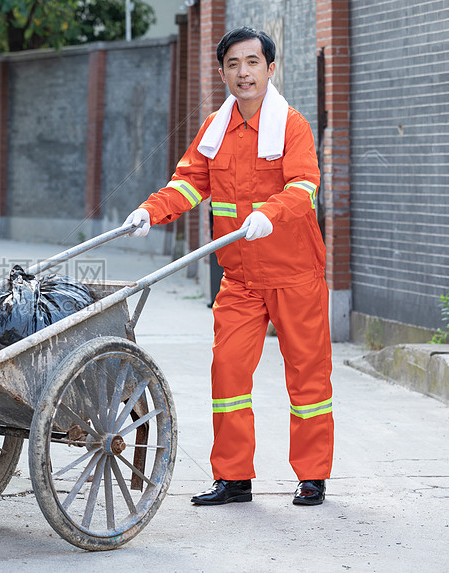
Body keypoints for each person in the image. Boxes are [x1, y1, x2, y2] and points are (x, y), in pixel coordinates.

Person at [123, 26, 333, 506]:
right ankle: (234, 478)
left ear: (270, 69)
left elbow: (304, 187)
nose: (244, 73)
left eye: (253, 63)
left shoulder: (291, 126)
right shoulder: (216, 130)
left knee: (308, 376)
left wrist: (269, 214)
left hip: (294, 274)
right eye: (234, 64)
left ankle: (313, 475)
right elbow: (189, 183)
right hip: (240, 278)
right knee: (228, 373)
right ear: (222, 73)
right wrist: (149, 213)